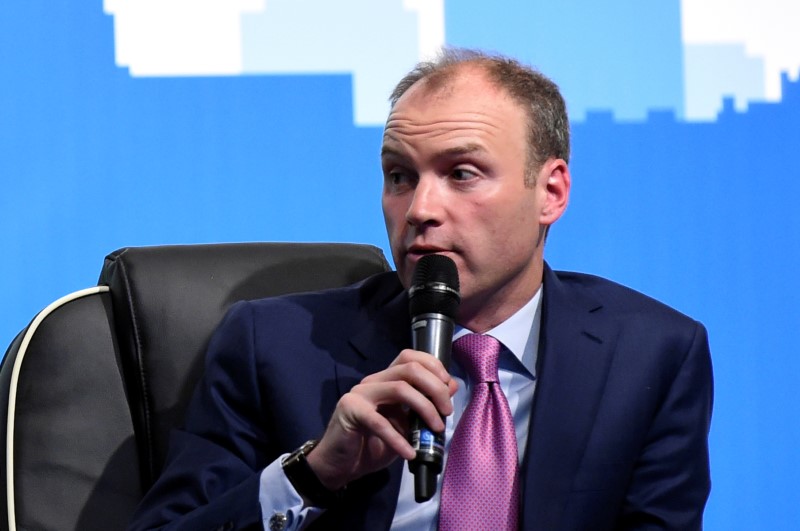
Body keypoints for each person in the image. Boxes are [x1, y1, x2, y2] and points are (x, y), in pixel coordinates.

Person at [129, 48, 713, 530]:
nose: (420, 210)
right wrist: (313, 473)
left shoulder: (651, 354)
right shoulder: (270, 347)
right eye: (399, 176)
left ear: (551, 193)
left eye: (462, 173)